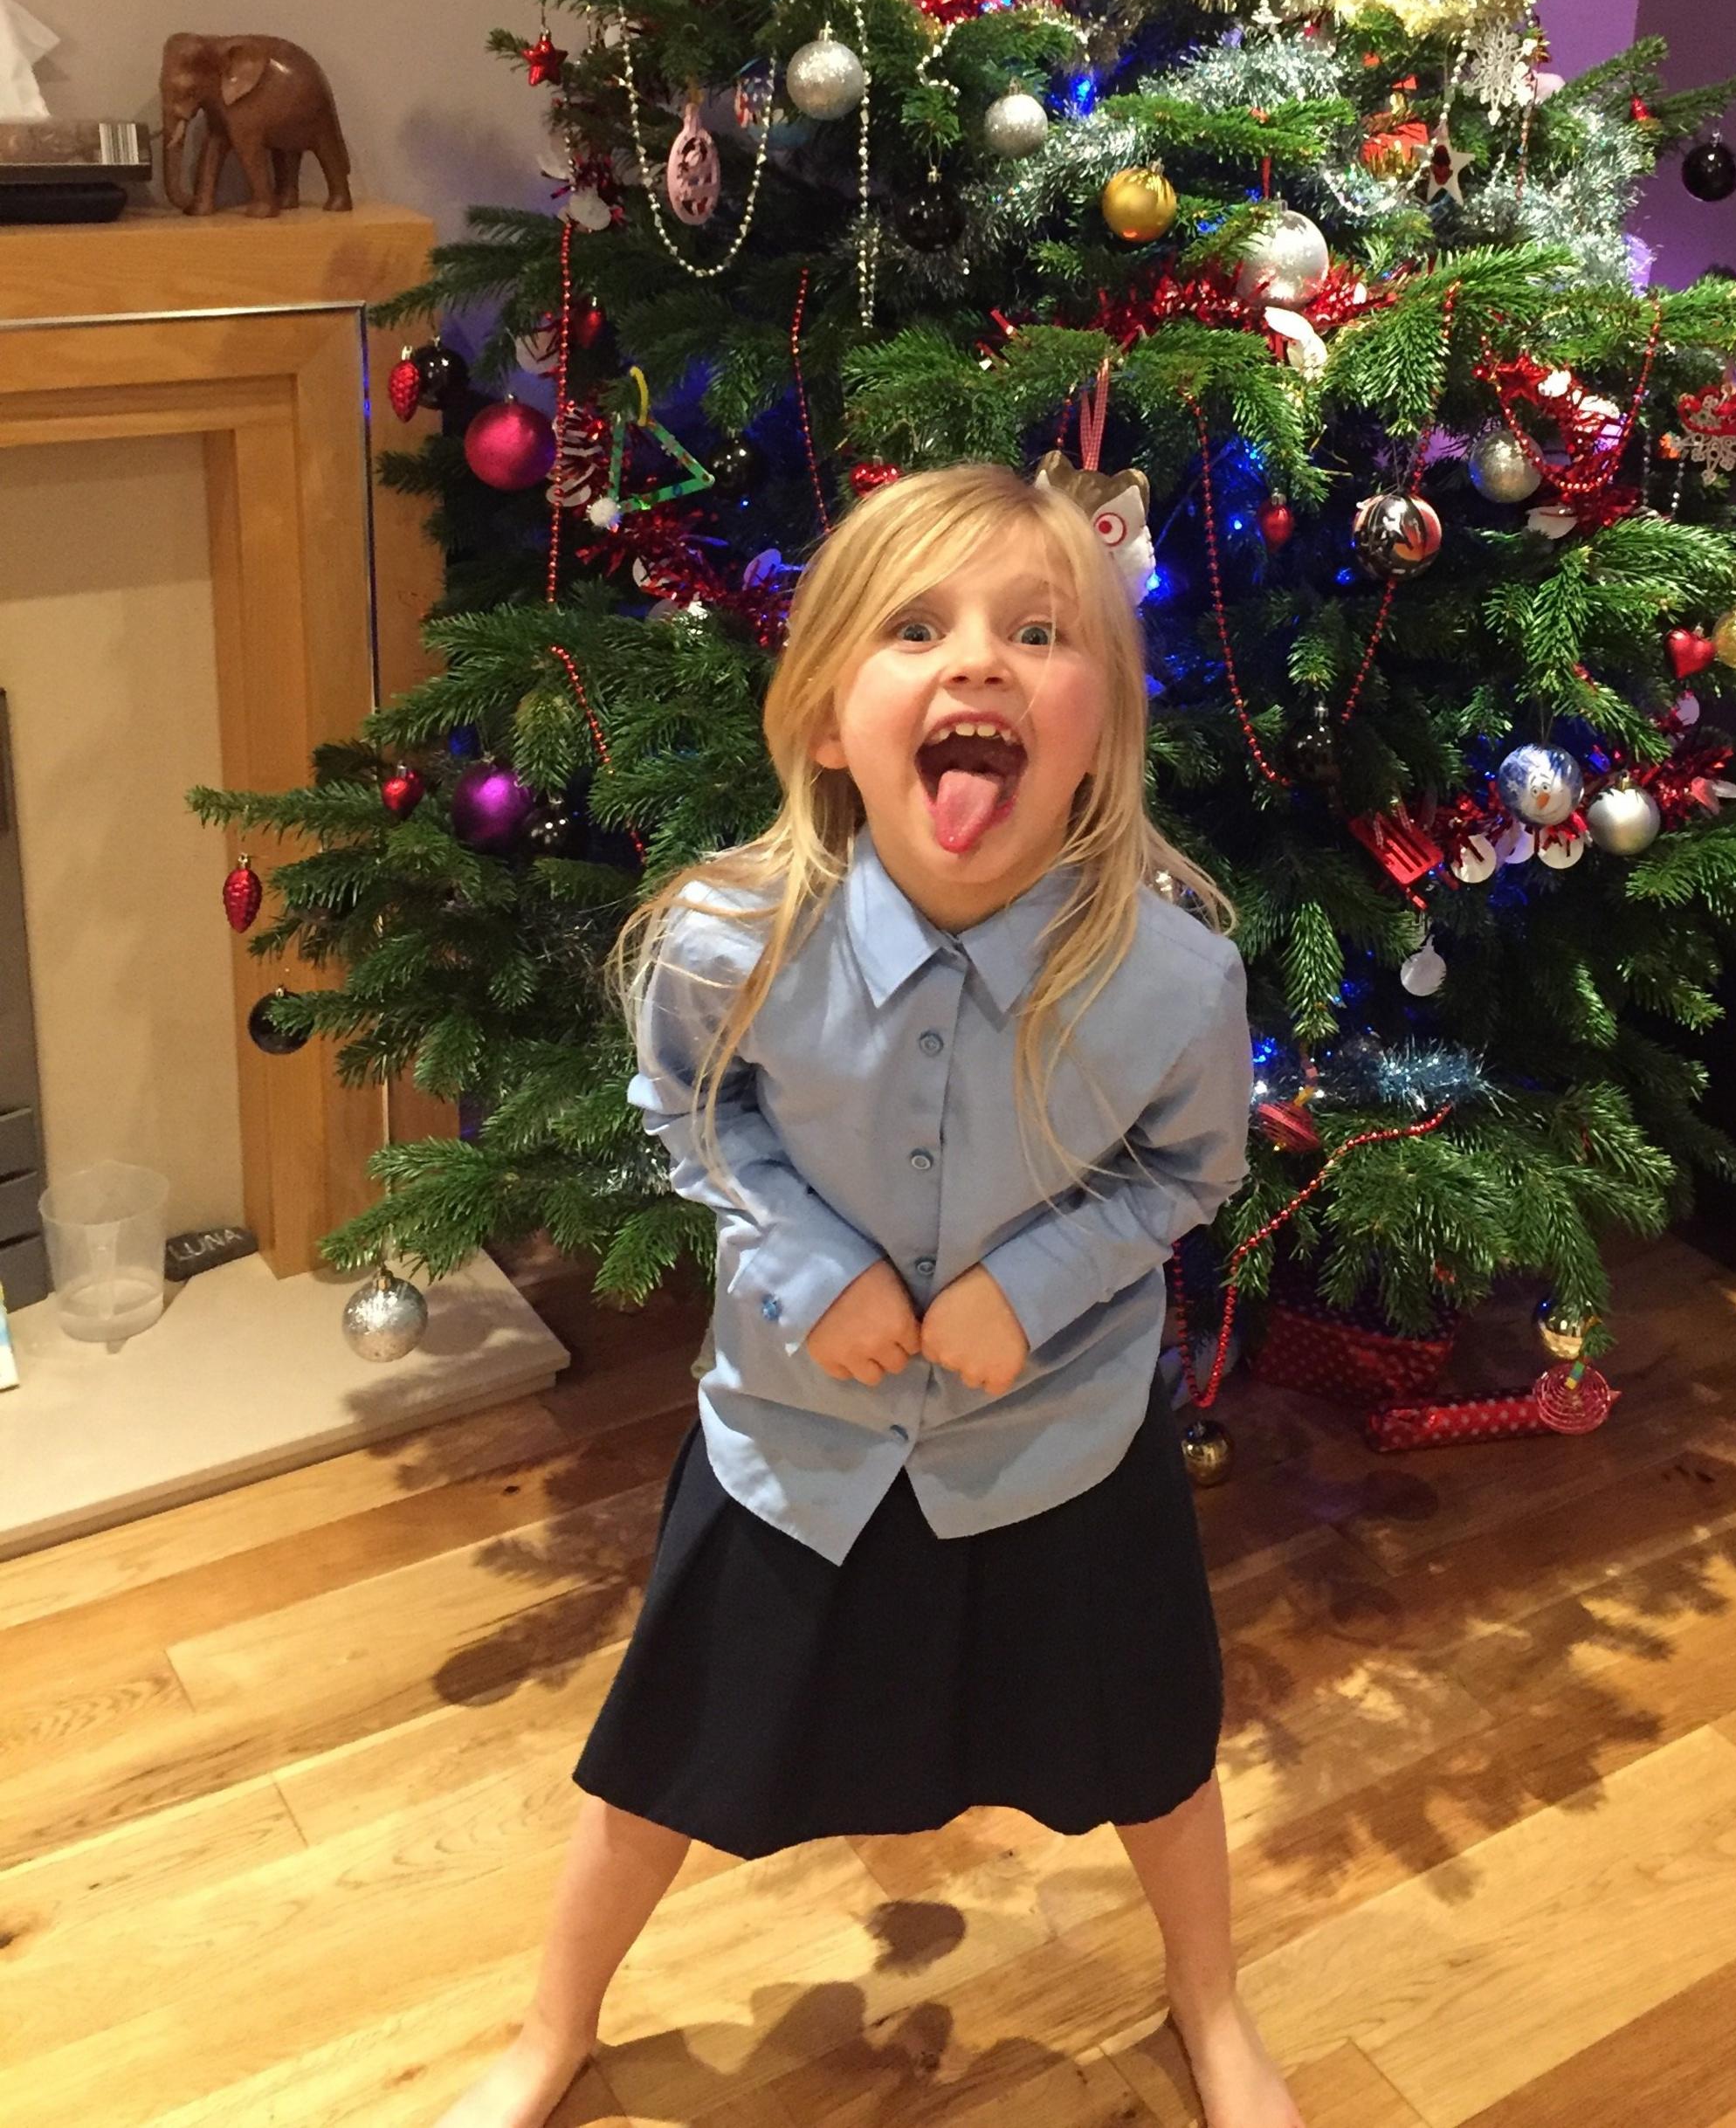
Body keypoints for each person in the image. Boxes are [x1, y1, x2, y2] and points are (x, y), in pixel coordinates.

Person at [435, 463, 1303, 2128]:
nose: (977, 661)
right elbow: (694, 1113)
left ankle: (1214, 2004)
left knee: (1153, 1745)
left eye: (1037, 632)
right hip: (799, 1434)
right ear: (833, 718)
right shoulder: (723, 939)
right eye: (918, 626)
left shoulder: (1176, 974)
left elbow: (1187, 1170)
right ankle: (551, 2024)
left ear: (1103, 726)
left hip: (1054, 1436)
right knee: (662, 1749)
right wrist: (811, 1264)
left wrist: (1032, 1285)